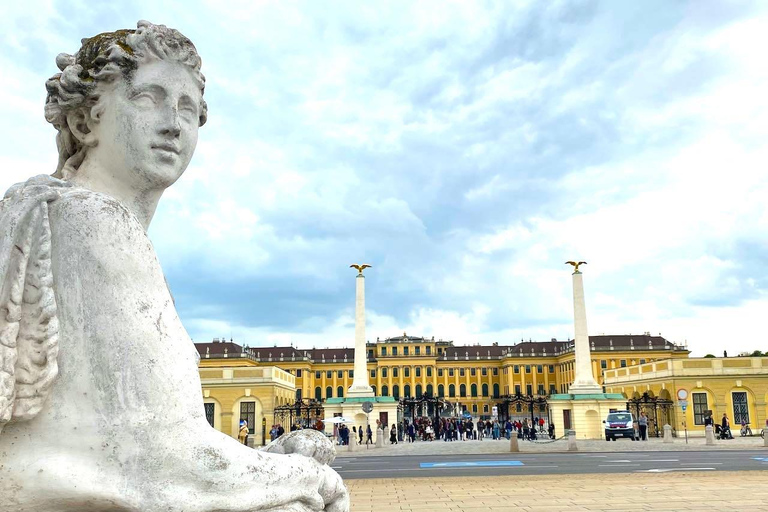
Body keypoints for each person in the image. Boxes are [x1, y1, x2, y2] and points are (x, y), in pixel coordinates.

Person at [0, 21, 349, 511]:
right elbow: (155, 458)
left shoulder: (57, 214)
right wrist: (309, 477)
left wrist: (270, 457)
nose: (174, 123)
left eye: (188, 108)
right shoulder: (93, 221)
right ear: (84, 122)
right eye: (149, 98)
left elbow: (142, 443)